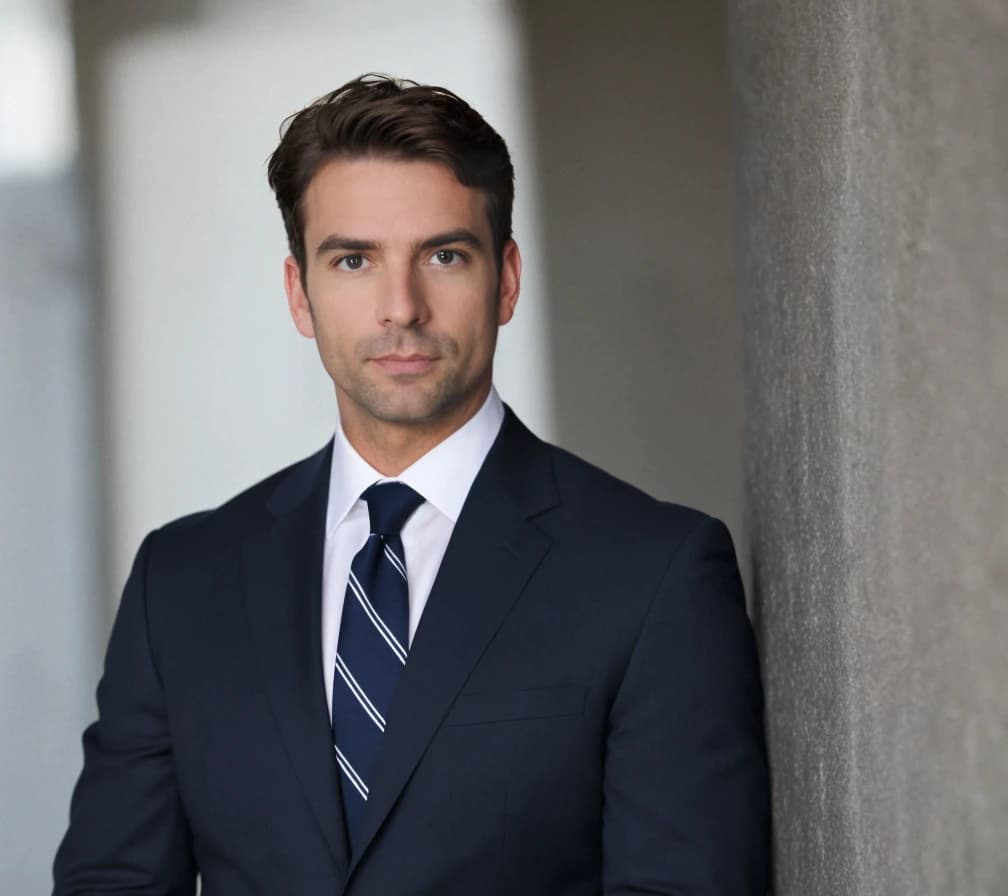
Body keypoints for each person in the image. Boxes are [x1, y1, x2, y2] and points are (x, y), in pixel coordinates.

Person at [53, 74, 770, 895]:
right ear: (300, 293)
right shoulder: (179, 584)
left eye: (443, 255)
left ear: (504, 280)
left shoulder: (655, 575)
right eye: (354, 259)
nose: (401, 307)